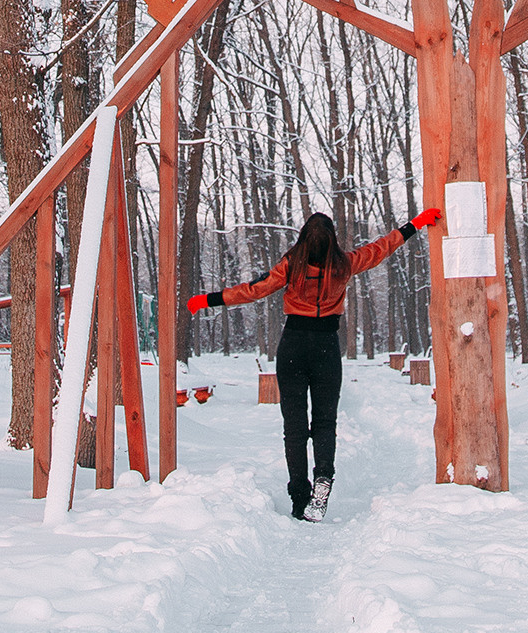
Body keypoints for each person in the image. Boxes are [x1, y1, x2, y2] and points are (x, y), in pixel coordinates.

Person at [186, 206, 440, 521]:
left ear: (304, 239)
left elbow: (254, 290)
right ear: (332, 240)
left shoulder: (291, 266)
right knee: (324, 422)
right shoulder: (344, 264)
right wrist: (415, 223)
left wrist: (208, 300)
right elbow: (382, 248)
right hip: (326, 349)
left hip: (293, 346)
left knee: (294, 427)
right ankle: (323, 479)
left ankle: (299, 495)